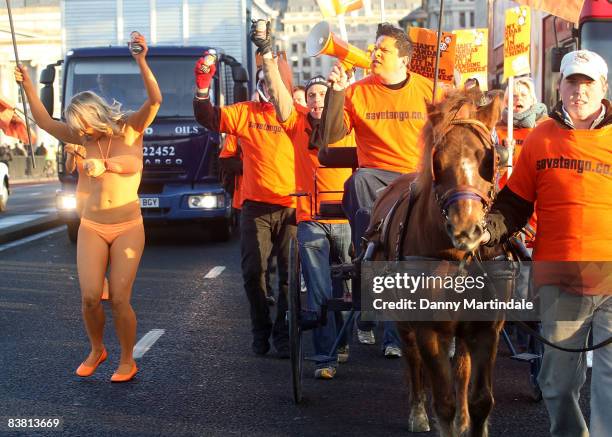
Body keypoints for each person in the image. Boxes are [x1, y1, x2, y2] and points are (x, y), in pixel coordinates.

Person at [15, 32, 161, 382]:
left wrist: (141, 61)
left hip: (127, 226)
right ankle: (98, 348)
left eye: (83, 126)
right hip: (92, 226)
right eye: (76, 129)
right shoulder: (81, 139)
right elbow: (46, 123)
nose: (80, 134)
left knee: (121, 298)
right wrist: (29, 88)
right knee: (91, 298)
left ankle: (127, 359)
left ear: (94, 116)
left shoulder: (128, 130)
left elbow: (155, 100)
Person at [483, 50, 612, 437]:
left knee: (609, 379)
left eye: (588, 83)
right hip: (559, 275)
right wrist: (488, 229)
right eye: (572, 82)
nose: (579, 91)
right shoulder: (541, 136)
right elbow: (516, 201)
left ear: (603, 88)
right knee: (556, 383)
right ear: (560, 86)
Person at [320, 23, 434, 357]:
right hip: (376, 178)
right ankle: (367, 258)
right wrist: (337, 91)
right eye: (374, 48)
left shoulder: (431, 89)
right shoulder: (357, 92)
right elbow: (329, 138)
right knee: (357, 181)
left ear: (404, 59)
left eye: (382, 50)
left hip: (417, 179)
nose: (374, 54)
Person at [254, 24, 354, 379]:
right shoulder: (295, 125)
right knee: (319, 291)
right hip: (310, 217)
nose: (315, 100)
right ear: (305, 101)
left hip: (347, 221)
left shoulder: (346, 123)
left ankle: (346, 340)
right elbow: (280, 93)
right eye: (310, 95)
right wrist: (267, 55)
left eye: (321, 95)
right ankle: (325, 357)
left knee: (350, 288)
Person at [193, 55, 296, 357]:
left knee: (290, 276)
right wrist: (202, 86)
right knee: (253, 272)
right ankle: (260, 327)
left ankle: (282, 333)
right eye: (264, 82)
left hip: (292, 207)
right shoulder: (246, 113)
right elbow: (208, 118)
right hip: (255, 207)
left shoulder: (298, 115)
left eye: (274, 83)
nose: (269, 88)